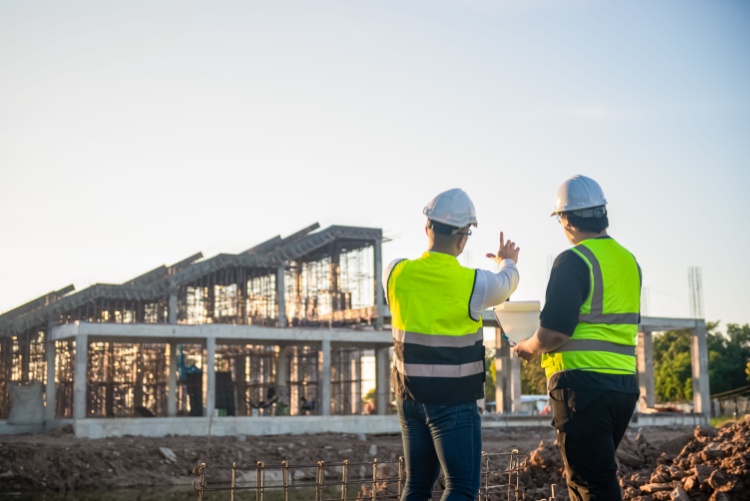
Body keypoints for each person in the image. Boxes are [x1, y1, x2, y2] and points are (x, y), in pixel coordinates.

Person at [383, 188, 520, 500]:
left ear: (427, 228)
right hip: (453, 402)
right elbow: (509, 281)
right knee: (460, 487)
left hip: (409, 399)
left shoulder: (394, 272)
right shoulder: (475, 283)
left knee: (416, 486)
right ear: (464, 237)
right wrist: (506, 260)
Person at [512, 175, 641, 501]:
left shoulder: (573, 260)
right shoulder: (630, 262)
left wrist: (527, 345)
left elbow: (555, 331)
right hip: (623, 386)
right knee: (595, 478)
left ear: (565, 219)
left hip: (582, 388)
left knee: (590, 484)